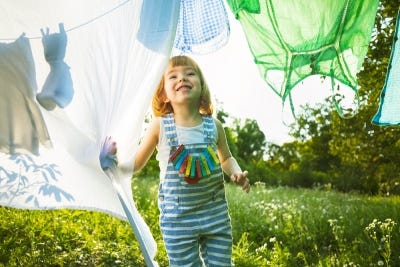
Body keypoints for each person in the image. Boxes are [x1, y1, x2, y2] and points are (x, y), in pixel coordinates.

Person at [135, 55, 250, 266]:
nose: (182, 78)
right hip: (178, 219)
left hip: (214, 214)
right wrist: (114, 159)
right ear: (163, 94)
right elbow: (135, 164)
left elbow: (226, 158)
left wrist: (236, 172)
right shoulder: (159, 126)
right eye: (173, 76)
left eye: (190, 73)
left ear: (202, 87)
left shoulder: (214, 126)